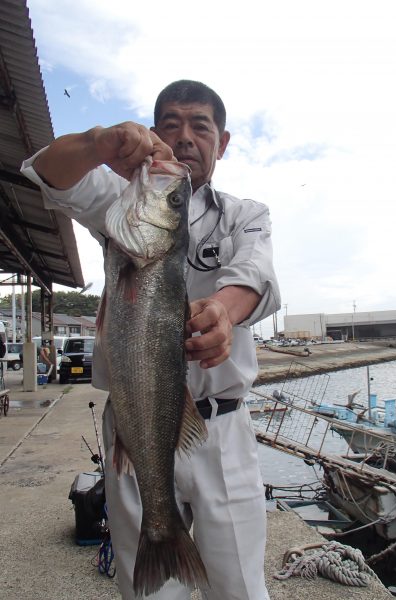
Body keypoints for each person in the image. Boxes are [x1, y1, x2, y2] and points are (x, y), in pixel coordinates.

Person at [21, 80, 280, 600]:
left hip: (222, 430)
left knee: (241, 589)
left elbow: (255, 276)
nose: (185, 137)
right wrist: (99, 142)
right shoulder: (125, 201)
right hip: (135, 424)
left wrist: (223, 316)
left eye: (200, 126)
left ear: (222, 142)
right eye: (171, 125)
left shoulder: (245, 214)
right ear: (153, 133)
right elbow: (48, 172)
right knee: (149, 594)